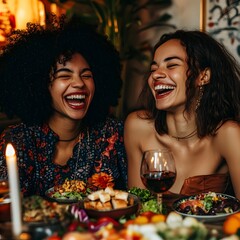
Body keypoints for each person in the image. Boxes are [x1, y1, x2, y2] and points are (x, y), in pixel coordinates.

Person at [0, 15, 127, 197]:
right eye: (65, 75)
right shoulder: (19, 141)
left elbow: (138, 198)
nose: (79, 83)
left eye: (86, 75)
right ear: (40, 84)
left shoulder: (113, 135)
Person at [124, 29, 240, 199]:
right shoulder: (138, 127)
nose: (156, 75)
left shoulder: (228, 134)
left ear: (203, 76)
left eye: (171, 65)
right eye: (153, 68)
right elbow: (137, 206)